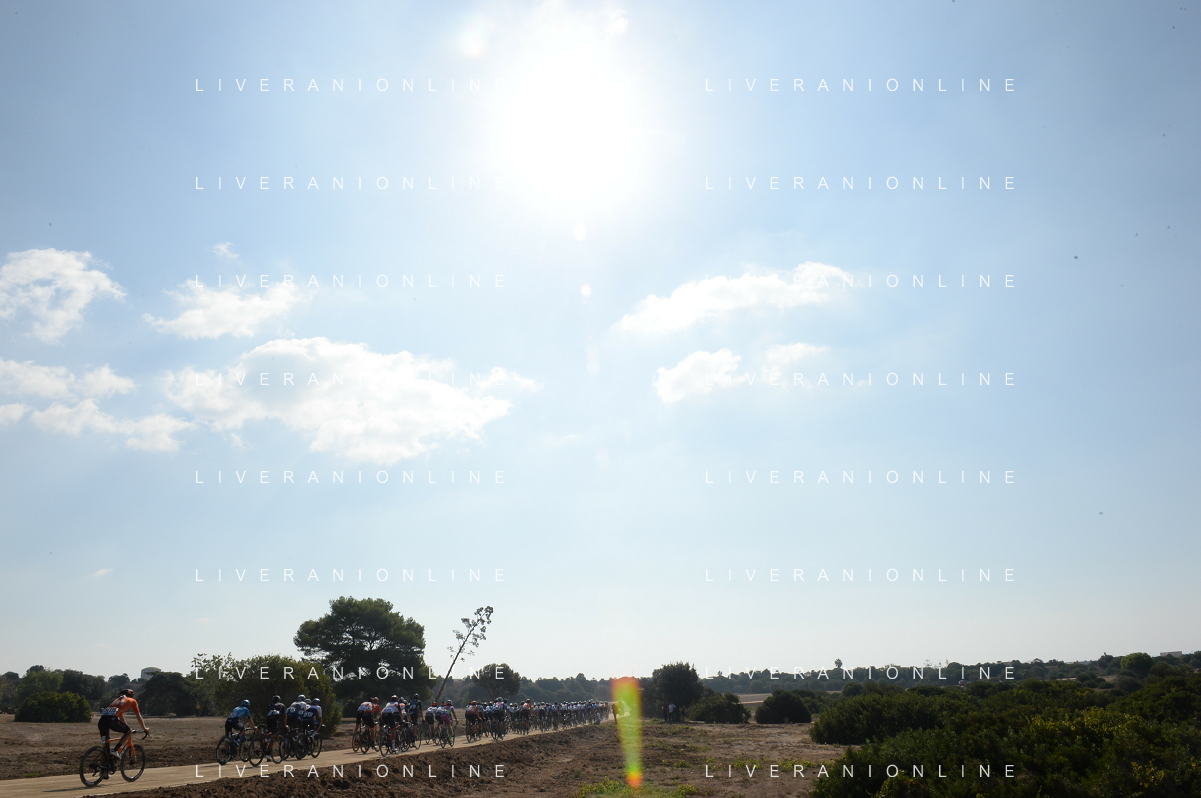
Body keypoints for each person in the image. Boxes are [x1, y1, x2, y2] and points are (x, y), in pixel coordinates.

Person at [98, 689, 148, 773]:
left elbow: (121, 717)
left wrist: (126, 727)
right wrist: (144, 728)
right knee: (129, 732)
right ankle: (115, 750)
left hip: (102, 721)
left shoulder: (116, 701)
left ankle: (104, 770)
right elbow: (138, 716)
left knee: (106, 746)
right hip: (112, 720)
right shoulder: (133, 701)